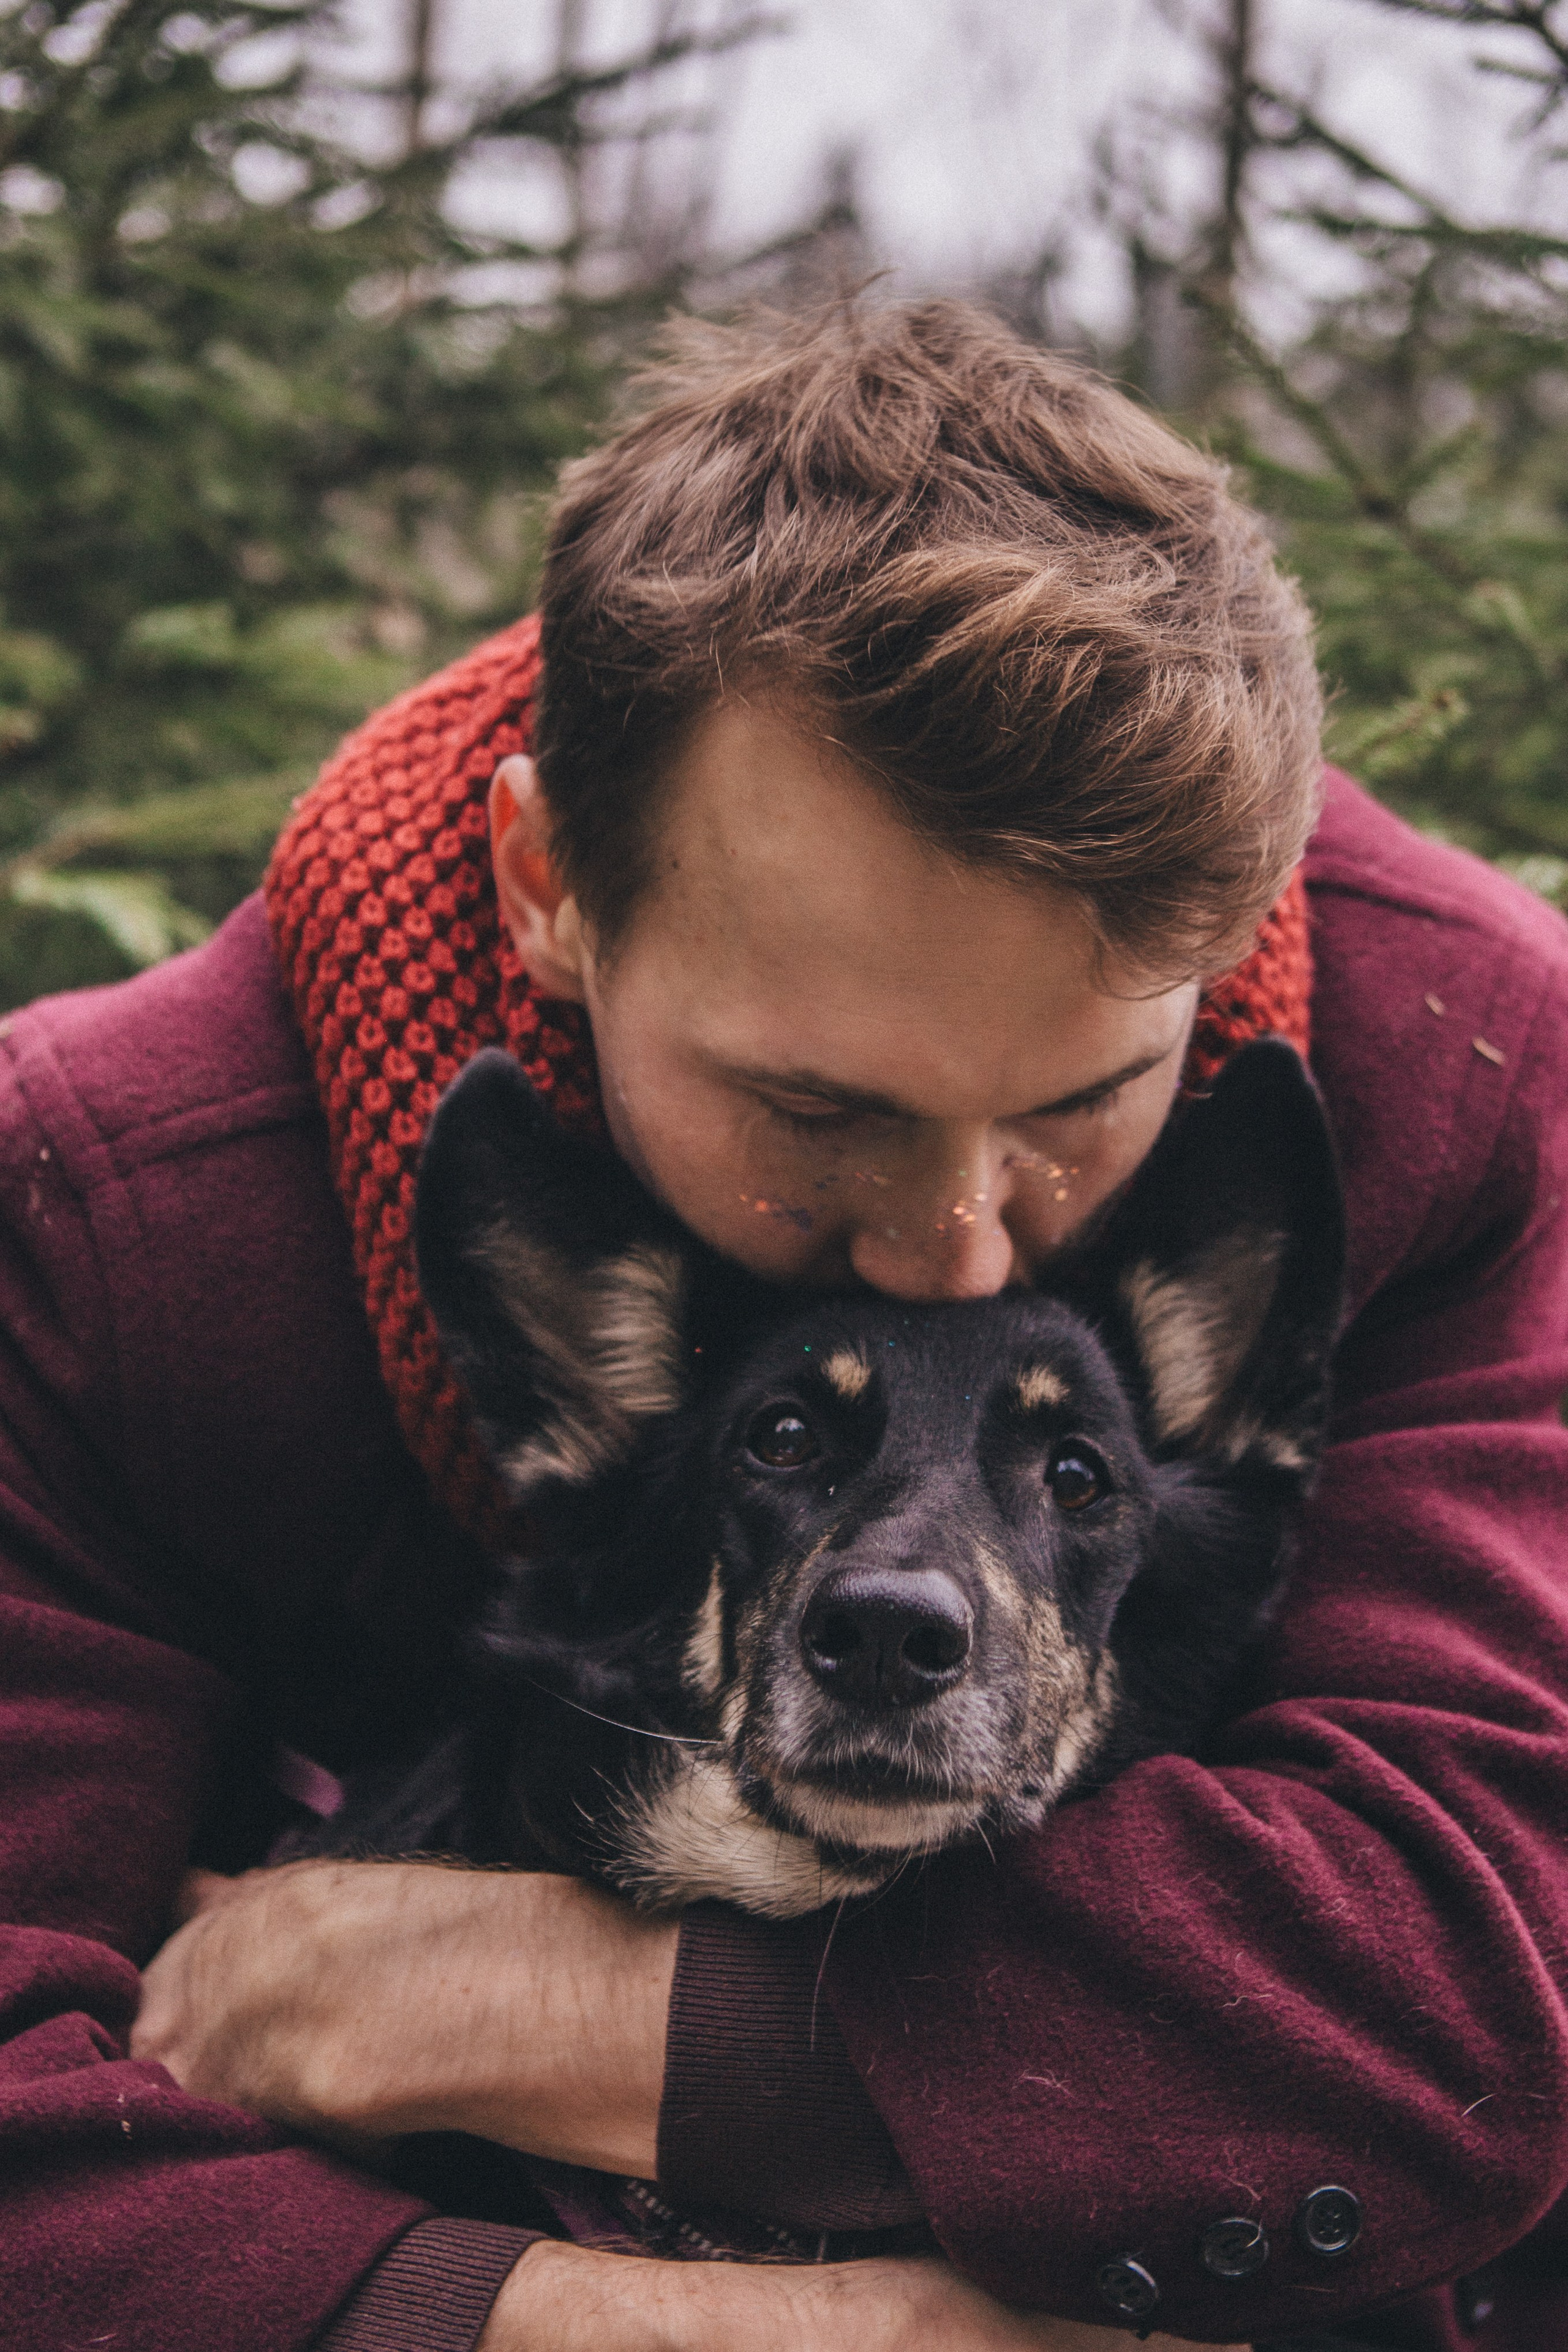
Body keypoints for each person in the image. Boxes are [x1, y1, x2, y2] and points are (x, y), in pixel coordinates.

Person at [4, 300, 1566, 2352]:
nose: (952, 1256)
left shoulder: (1464, 1058)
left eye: (1079, 1113)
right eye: (822, 1113)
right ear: (552, 882)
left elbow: (1474, 1978)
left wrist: (483, 1994)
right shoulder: (113, 1202)